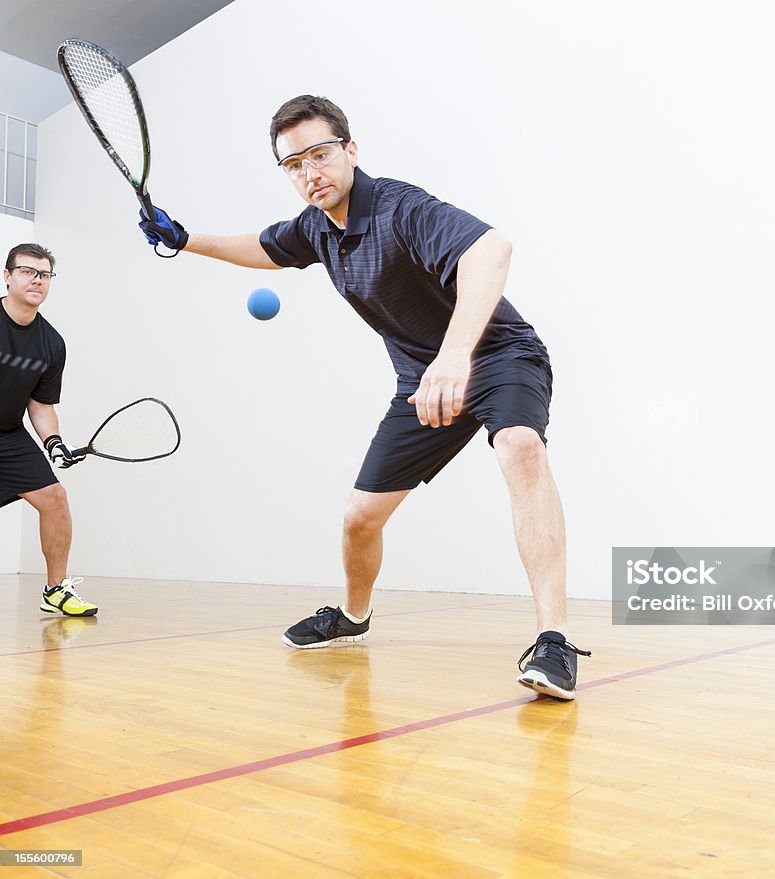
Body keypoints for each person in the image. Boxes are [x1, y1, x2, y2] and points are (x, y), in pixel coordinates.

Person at [139, 95, 589, 699]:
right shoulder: (317, 228)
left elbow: (491, 250)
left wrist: (455, 355)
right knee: (359, 519)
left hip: (499, 355)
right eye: (293, 164)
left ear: (350, 150)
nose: (309, 173)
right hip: (420, 383)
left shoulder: (400, 206)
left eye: (319, 155)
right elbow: (262, 249)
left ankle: (553, 640)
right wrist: (184, 237)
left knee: (520, 447)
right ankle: (353, 618)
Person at [1, 243, 95, 616]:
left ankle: (56, 590)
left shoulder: (52, 343)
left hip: (8, 435)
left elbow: (40, 405)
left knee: (55, 500)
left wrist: (53, 443)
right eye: (27, 271)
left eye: (44, 274)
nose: (36, 280)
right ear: (7, 276)